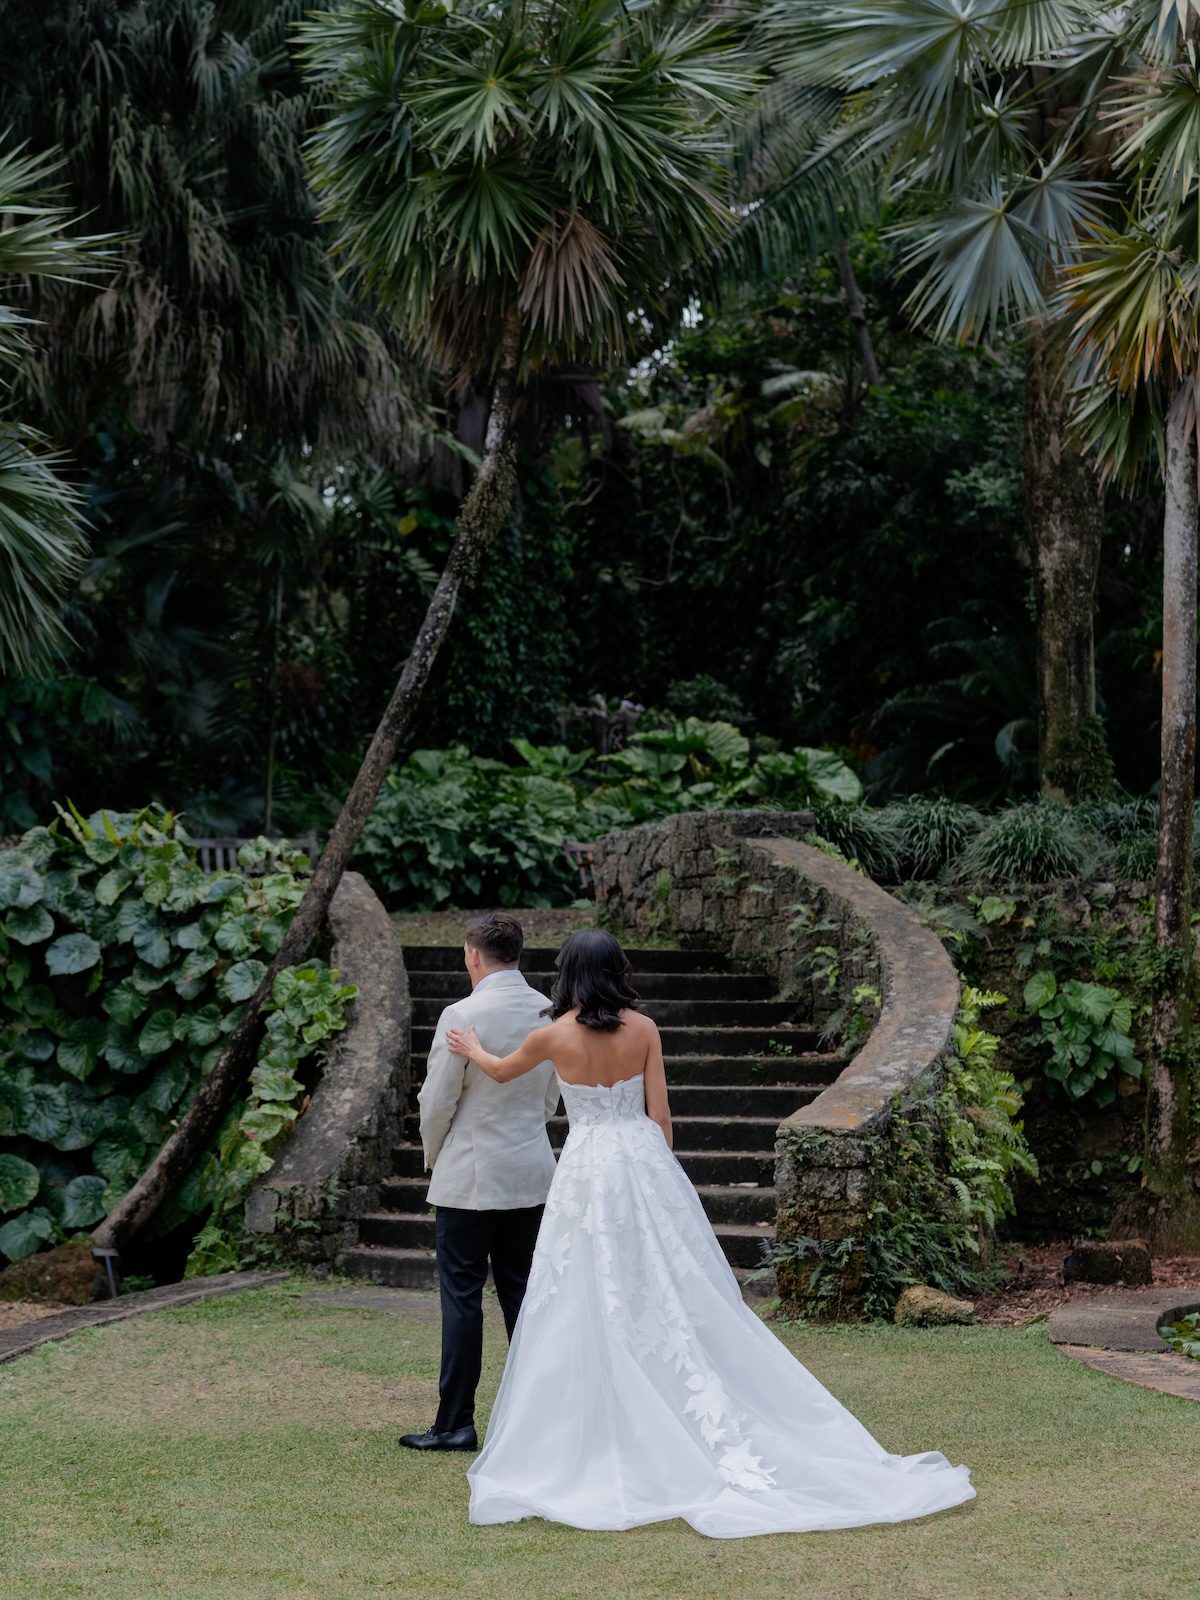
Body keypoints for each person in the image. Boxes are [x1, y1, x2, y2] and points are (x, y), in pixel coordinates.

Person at [444, 928, 975, 1539]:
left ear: (567, 975)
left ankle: (606, 1419)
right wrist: (659, 1178)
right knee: (667, 1279)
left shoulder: (551, 1035)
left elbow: (504, 1074)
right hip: (641, 1159)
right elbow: (660, 1116)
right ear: (616, 971)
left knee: (589, 1283)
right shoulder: (642, 1029)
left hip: (587, 1168)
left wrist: (471, 1046)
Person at [399, 912, 558, 1454]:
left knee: (463, 1297)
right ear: (518, 953)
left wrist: (433, 1151)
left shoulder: (462, 1014)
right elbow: (548, 1097)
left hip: (470, 1170)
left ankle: (455, 1423)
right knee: (523, 1295)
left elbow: (438, 1099)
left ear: (472, 954)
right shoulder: (547, 1011)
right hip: (531, 1169)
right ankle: (536, 1419)